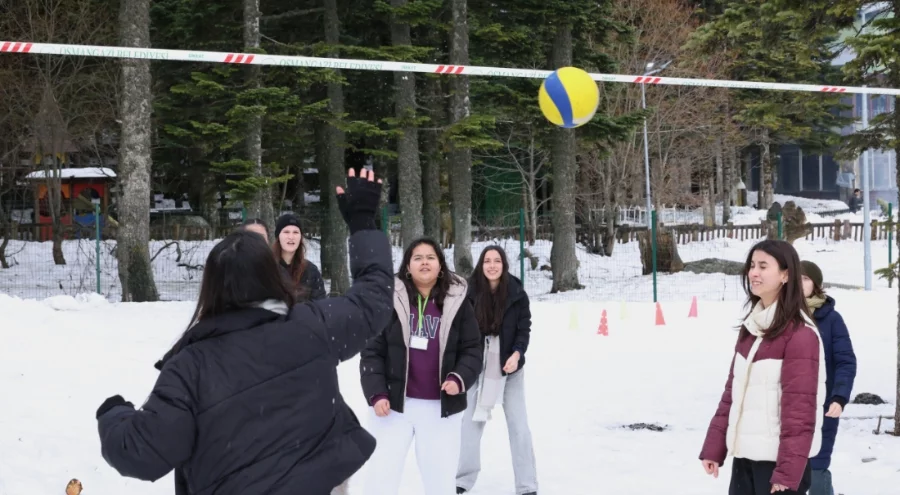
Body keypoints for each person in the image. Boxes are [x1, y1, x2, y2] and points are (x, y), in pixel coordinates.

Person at [96, 168, 392, 495]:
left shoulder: (190, 367)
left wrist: (113, 415)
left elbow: (141, 453)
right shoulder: (311, 326)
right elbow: (373, 301)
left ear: (211, 286)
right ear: (271, 276)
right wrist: (363, 223)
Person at [700, 239, 826, 495]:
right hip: (745, 456)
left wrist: (787, 473)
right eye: (752, 265)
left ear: (785, 275)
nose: (753, 273)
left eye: (763, 266)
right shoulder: (753, 327)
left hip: (778, 467)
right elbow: (732, 395)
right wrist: (715, 446)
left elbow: (800, 412)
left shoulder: (800, 334)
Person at [359, 237, 483, 495]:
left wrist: (459, 378)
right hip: (392, 407)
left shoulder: (458, 300)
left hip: (441, 408)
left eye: (430, 257)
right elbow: (372, 350)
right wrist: (377, 392)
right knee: (381, 478)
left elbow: (472, 348)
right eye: (417, 258)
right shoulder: (388, 299)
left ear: (440, 265)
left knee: (440, 482)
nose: (424, 262)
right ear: (407, 266)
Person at [456, 245, 537, 495]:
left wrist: (516, 353)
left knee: (519, 426)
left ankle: (527, 486)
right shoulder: (468, 293)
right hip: (475, 365)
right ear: (481, 265)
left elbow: (524, 327)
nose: (492, 265)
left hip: (509, 367)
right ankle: (462, 480)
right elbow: (460, 331)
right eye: (487, 261)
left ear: (504, 264)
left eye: (497, 261)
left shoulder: (516, 292)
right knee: (469, 424)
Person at [800, 261, 857, 495]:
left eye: (805, 279)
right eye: (795, 278)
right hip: (786, 404)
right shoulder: (780, 316)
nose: (799, 283)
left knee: (817, 464)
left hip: (823, 405)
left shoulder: (832, 320)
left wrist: (839, 396)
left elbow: (845, 361)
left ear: (816, 285)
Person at [274, 212, 326, 301]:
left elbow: (320, 306)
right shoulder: (267, 268)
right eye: (286, 232)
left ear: (300, 237)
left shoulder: (311, 270)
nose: (291, 237)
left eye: (295, 232)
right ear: (278, 236)